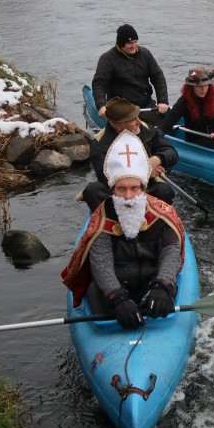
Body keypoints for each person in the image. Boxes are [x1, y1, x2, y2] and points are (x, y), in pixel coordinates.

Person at [62, 130, 185, 329]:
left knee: (162, 299)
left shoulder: (163, 215)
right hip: (115, 285)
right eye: (121, 189)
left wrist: (162, 285)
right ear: (113, 190)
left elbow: (171, 252)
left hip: (152, 281)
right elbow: (101, 262)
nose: (128, 196)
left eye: (135, 188)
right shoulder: (102, 219)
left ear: (144, 188)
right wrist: (117, 296)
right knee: (100, 298)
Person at [82, 97, 178, 211]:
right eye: (132, 119)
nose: (139, 122)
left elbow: (171, 153)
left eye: (137, 116)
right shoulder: (99, 143)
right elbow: (105, 177)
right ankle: (112, 217)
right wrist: (145, 171)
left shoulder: (147, 130)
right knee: (92, 190)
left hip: (146, 187)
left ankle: (153, 217)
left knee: (164, 190)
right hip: (117, 190)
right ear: (118, 126)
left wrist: (156, 160)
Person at [92, 24, 170, 127]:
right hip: (121, 108)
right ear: (121, 44)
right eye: (130, 43)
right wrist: (101, 105)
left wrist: (163, 101)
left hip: (144, 105)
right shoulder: (107, 59)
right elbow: (99, 84)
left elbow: (158, 77)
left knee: (161, 128)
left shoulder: (145, 54)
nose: (133, 45)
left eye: (135, 42)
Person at [159, 66, 214, 149]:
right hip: (196, 138)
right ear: (191, 87)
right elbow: (168, 122)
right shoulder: (184, 101)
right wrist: (156, 137)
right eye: (199, 86)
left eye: (206, 85)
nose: (203, 89)